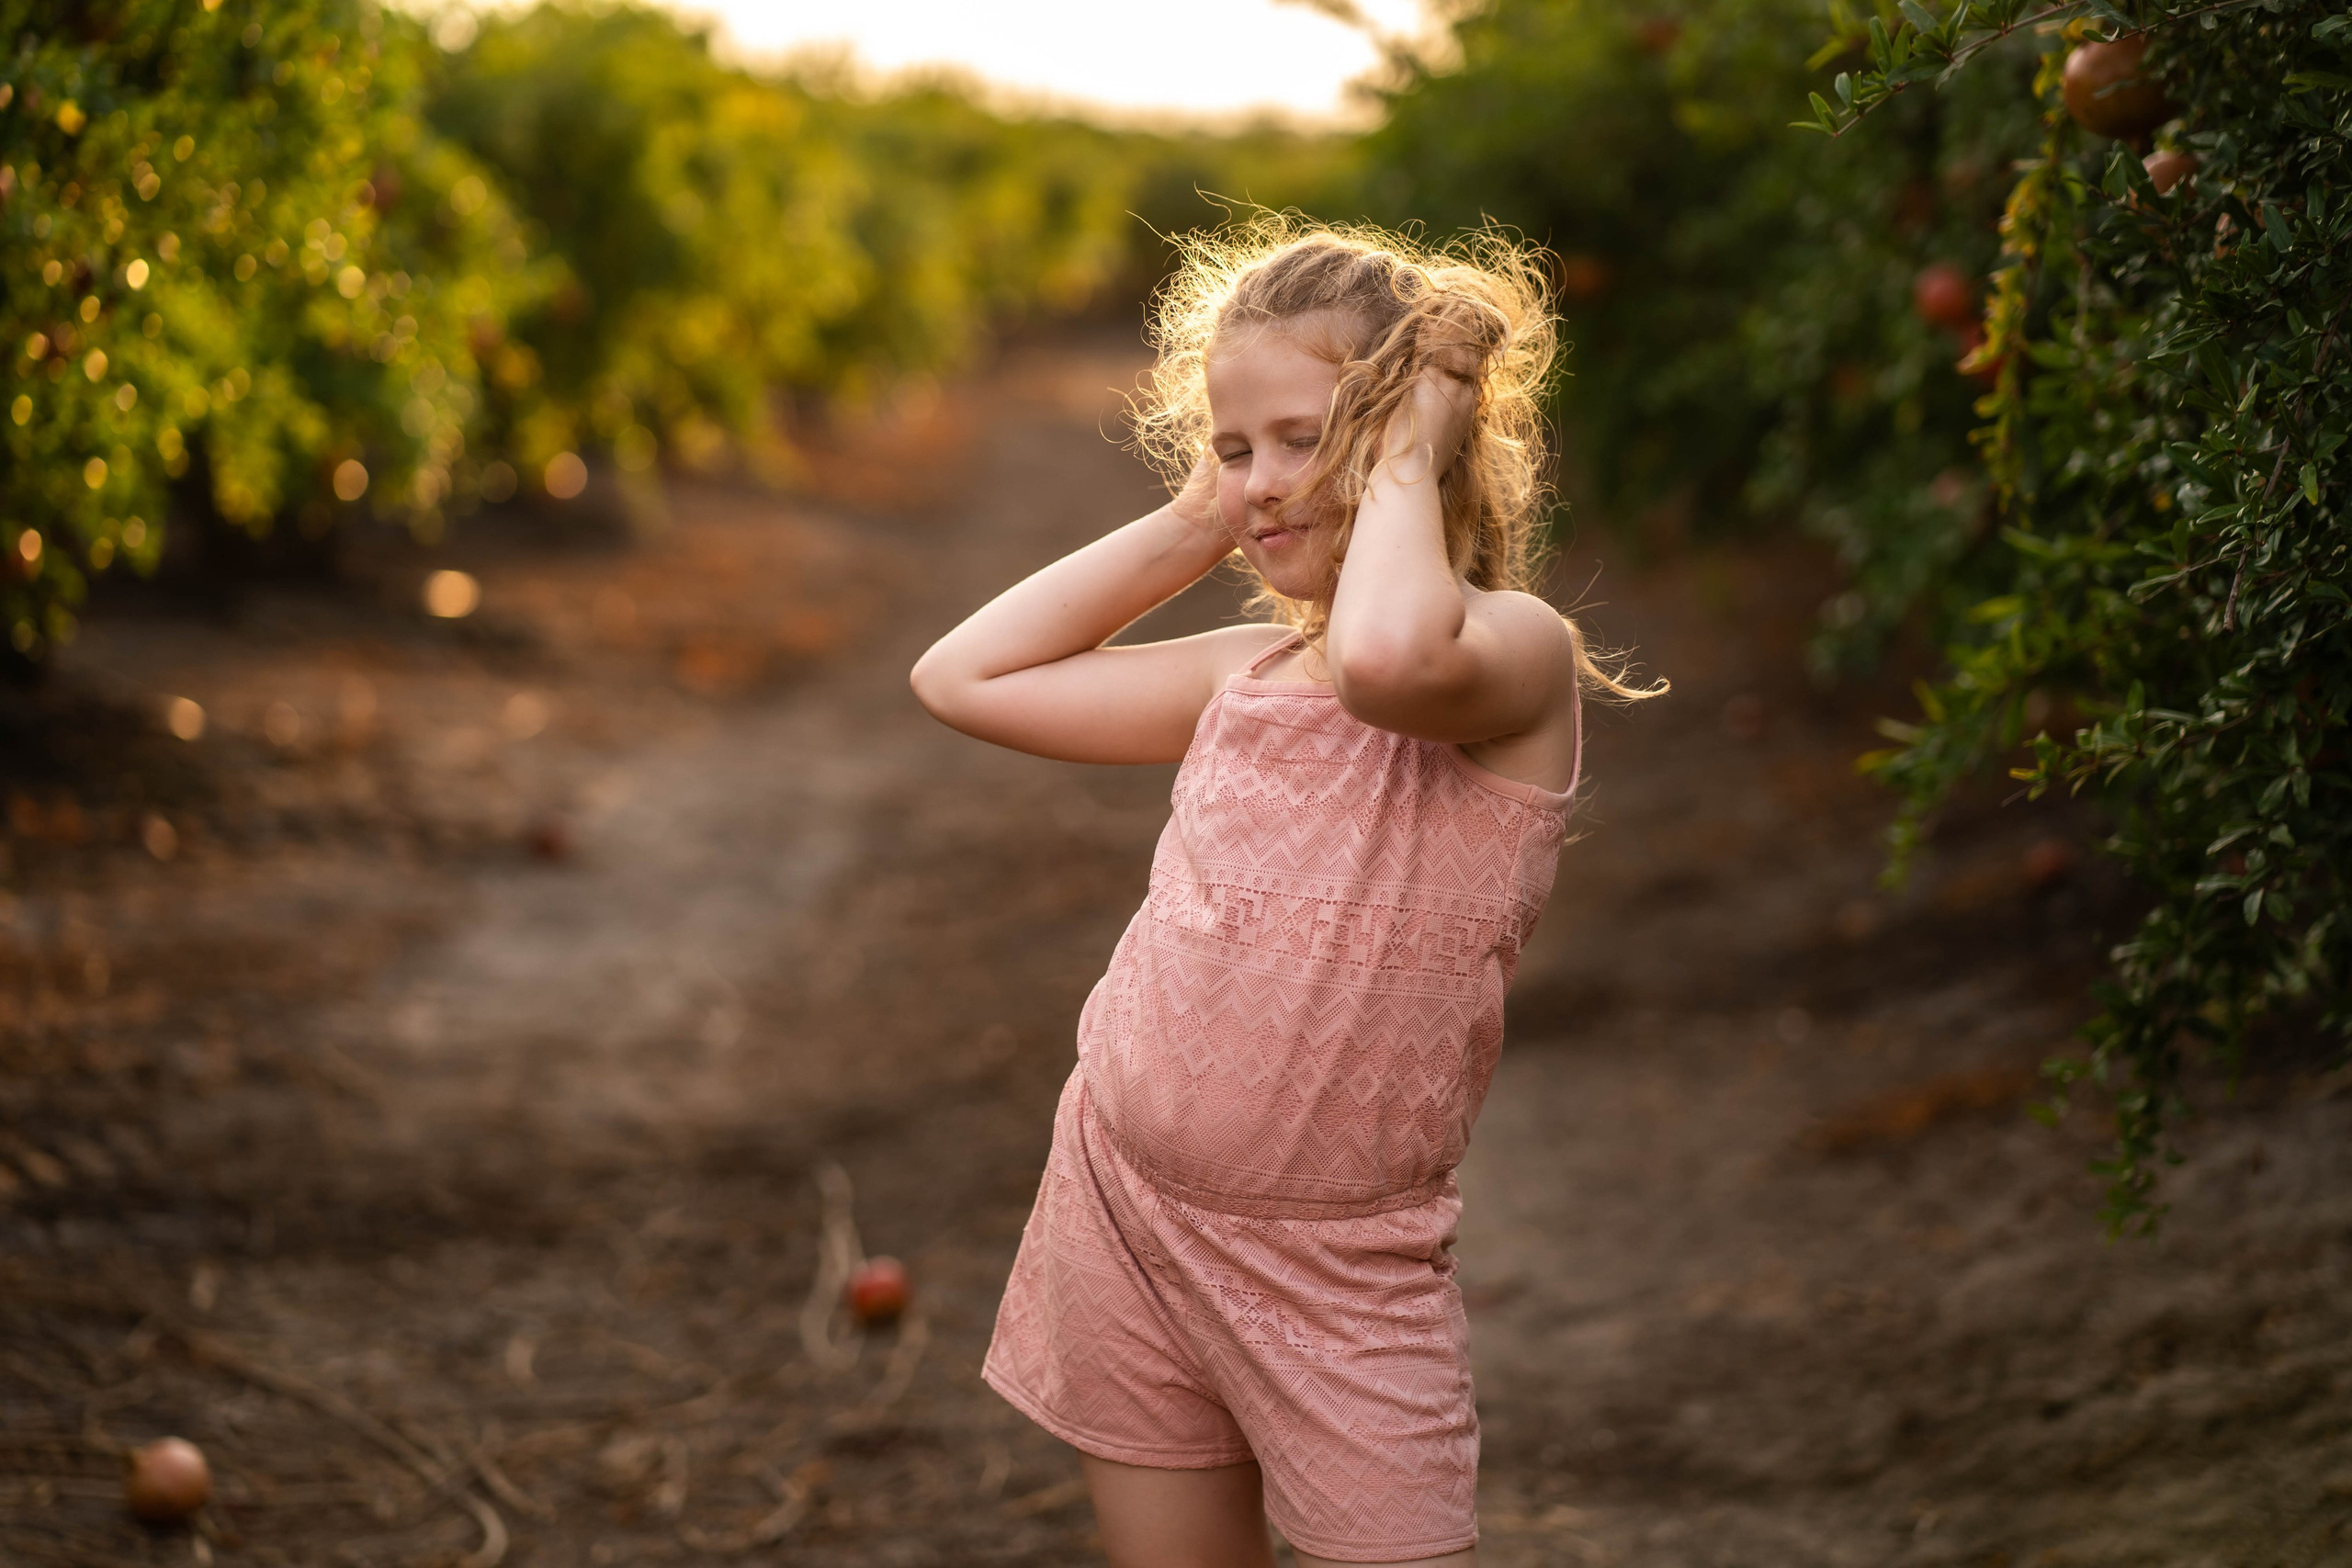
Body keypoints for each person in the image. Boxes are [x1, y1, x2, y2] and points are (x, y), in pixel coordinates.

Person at [910, 220, 1657, 1568]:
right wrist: (1206, 513)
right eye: (1234, 445)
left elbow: (1381, 659)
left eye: (1308, 436)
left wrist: (1416, 442)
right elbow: (964, 680)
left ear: (1415, 441)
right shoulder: (1241, 678)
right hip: (1126, 1211)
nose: (1262, 483)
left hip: (1342, 1277)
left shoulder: (1512, 658)